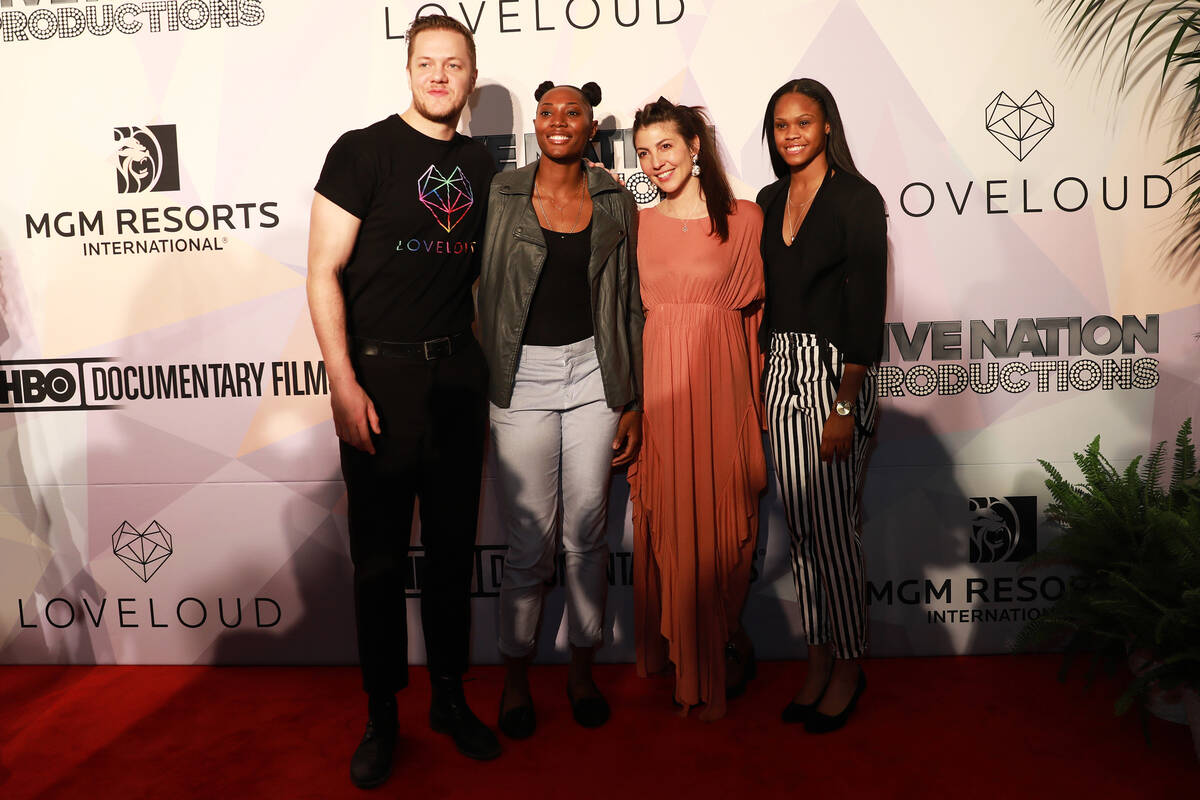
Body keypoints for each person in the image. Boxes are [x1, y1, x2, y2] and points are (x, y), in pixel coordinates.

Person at [306, 14, 501, 789]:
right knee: (379, 562)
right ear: (409, 70)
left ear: (471, 77)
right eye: (427, 63)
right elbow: (323, 270)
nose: (440, 76)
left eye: (454, 65)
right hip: (378, 384)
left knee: (452, 552)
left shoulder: (484, 168)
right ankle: (382, 714)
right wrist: (341, 379)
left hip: (457, 380)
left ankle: (449, 700)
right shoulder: (361, 151)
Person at [477, 81, 643, 739]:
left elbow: (629, 299)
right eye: (547, 111)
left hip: (596, 374)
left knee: (588, 532)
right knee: (527, 540)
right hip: (520, 379)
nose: (558, 121)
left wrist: (629, 397)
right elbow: (473, 285)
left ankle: (581, 670)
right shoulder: (500, 194)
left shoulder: (614, 198)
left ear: (591, 124)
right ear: (536, 123)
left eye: (572, 112)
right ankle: (515, 677)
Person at [629, 98, 767, 722]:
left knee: (724, 524)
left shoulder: (744, 219)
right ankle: (687, 657)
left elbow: (757, 320)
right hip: (660, 384)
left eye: (665, 147)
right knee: (671, 521)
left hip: (722, 381)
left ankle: (724, 642)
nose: (656, 162)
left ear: (694, 146)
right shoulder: (638, 225)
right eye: (643, 153)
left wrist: (758, 401)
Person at [756, 78, 887, 733]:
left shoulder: (857, 199)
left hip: (836, 372)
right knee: (803, 535)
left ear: (827, 125)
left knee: (835, 536)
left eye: (803, 122)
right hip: (780, 368)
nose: (791, 135)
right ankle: (815, 659)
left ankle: (849, 664)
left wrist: (846, 403)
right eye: (780, 125)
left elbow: (867, 303)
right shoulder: (768, 198)